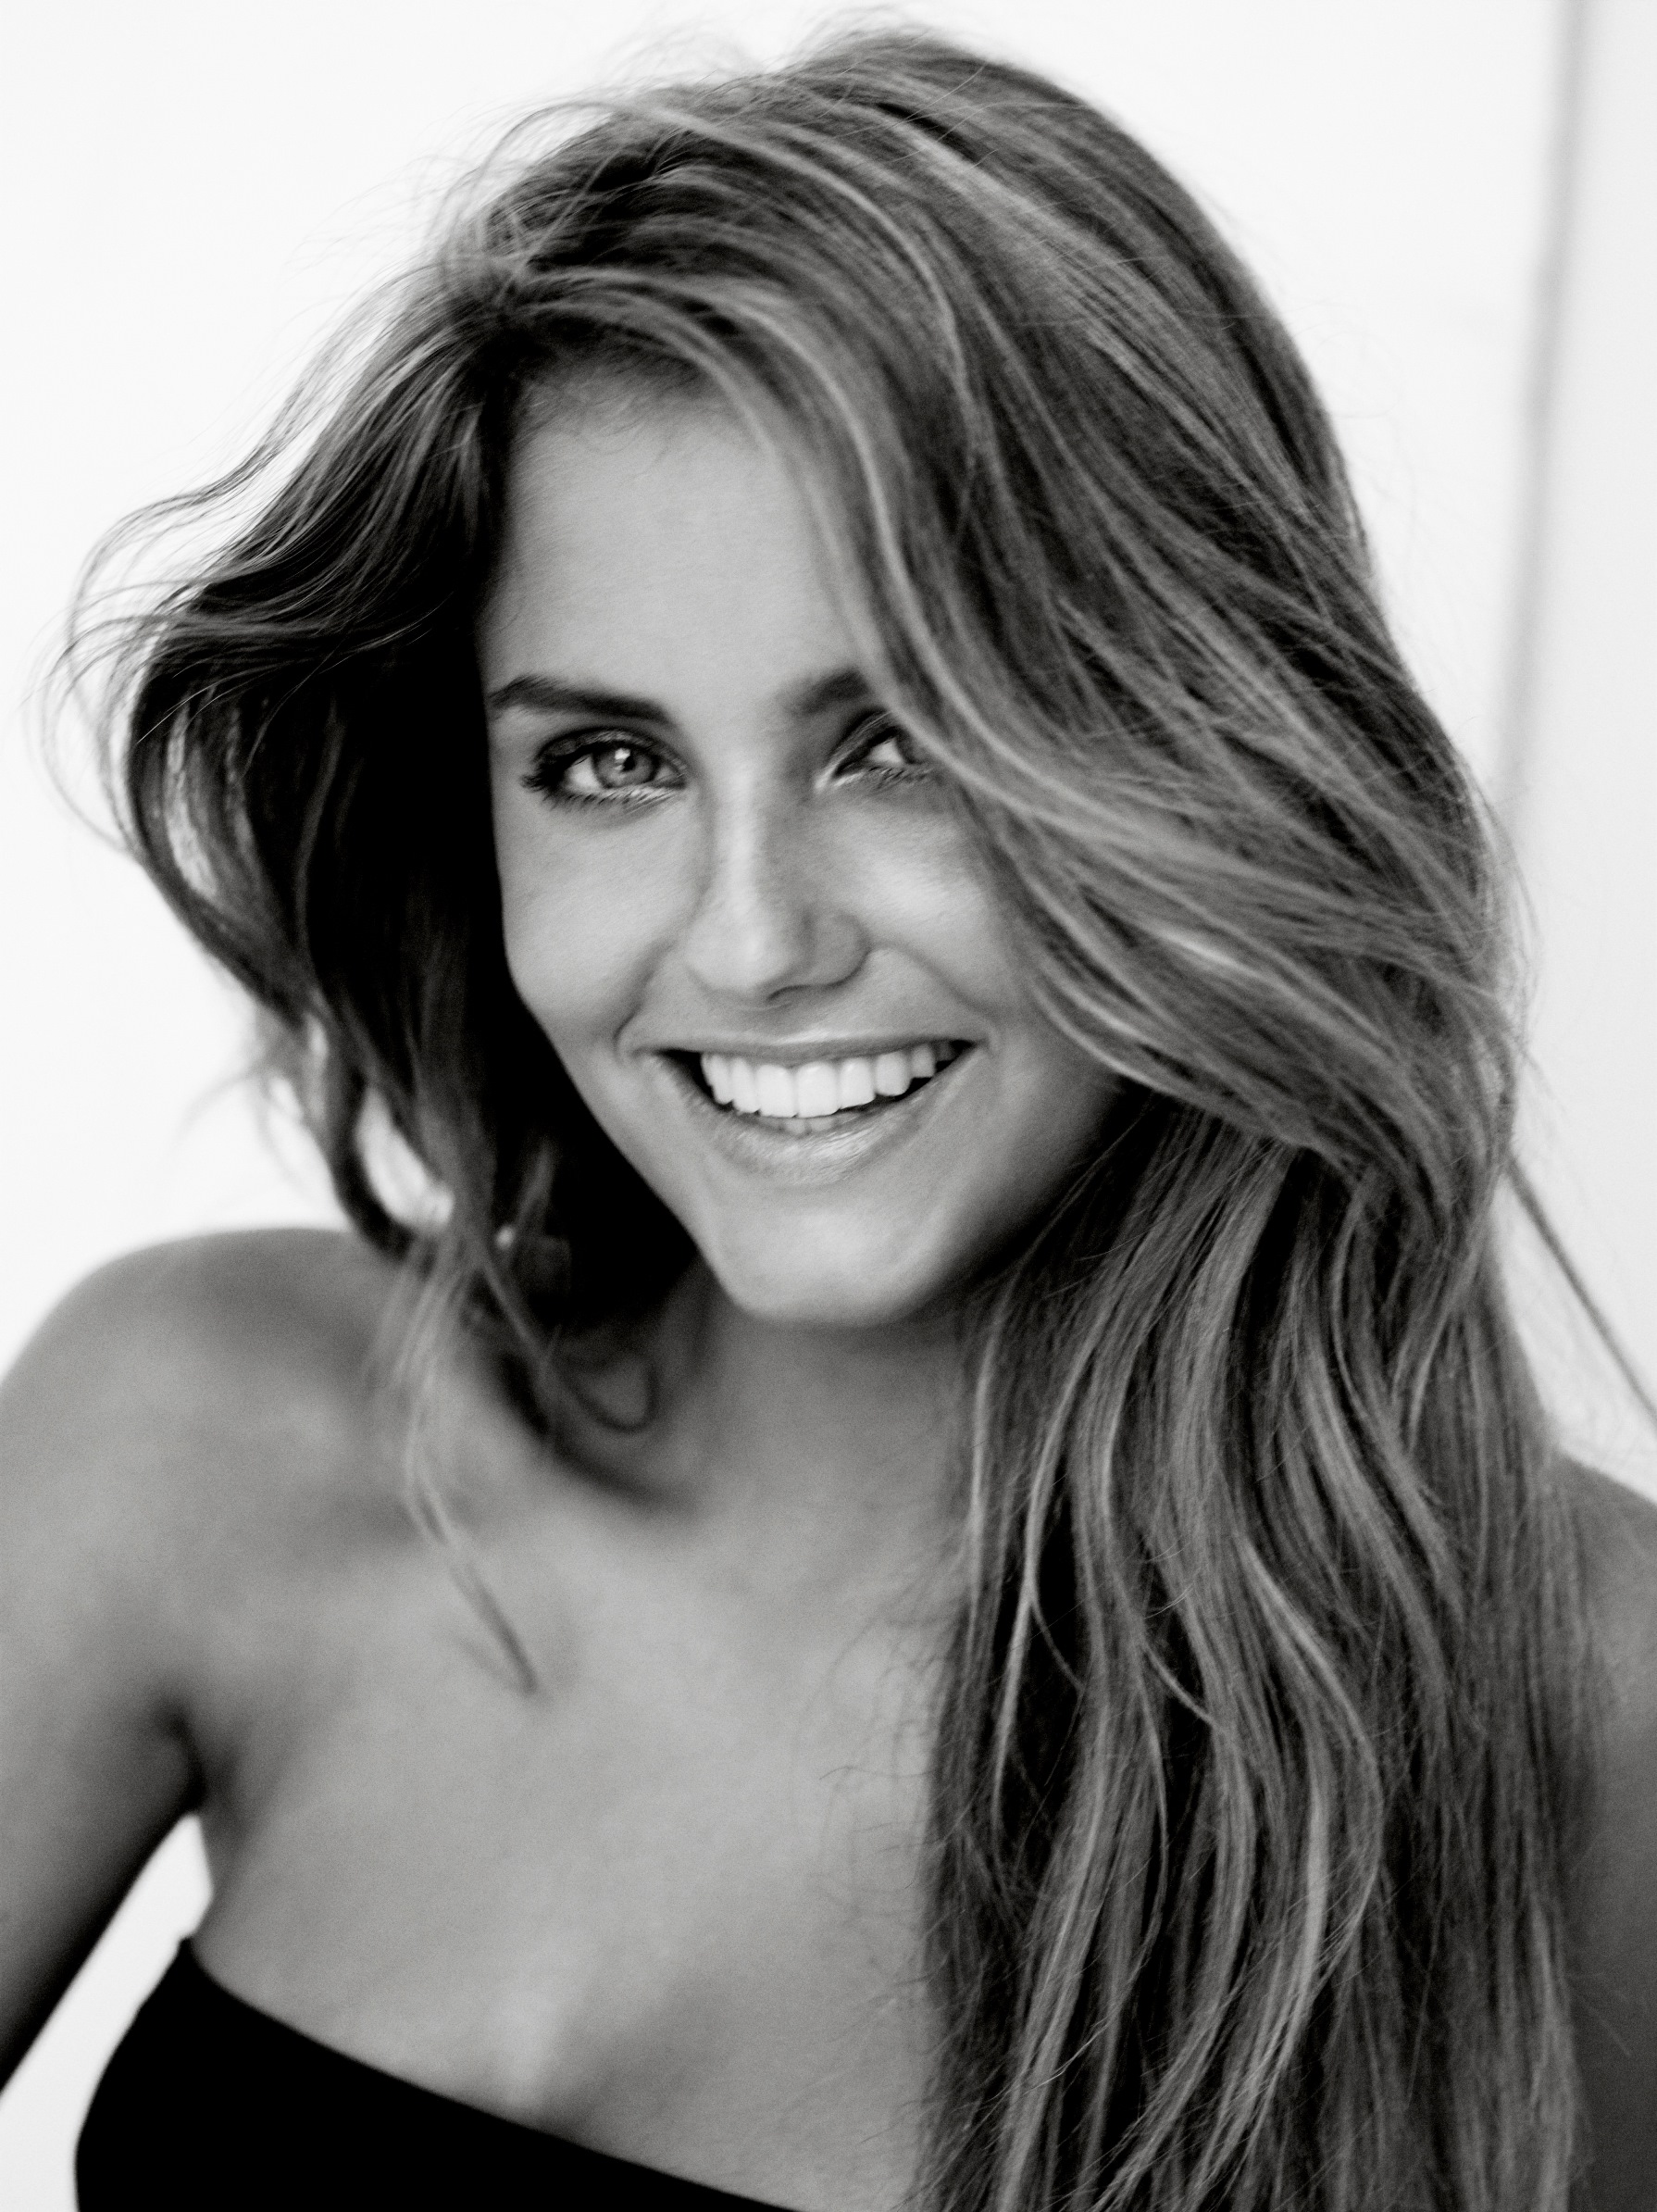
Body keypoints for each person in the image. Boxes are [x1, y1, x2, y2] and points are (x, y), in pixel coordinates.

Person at [2, 28, 1653, 2212]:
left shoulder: (1580, 1712)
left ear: (1206, 757)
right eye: (608, 765)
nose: (751, 938)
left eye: (901, 744)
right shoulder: (202, 1435)